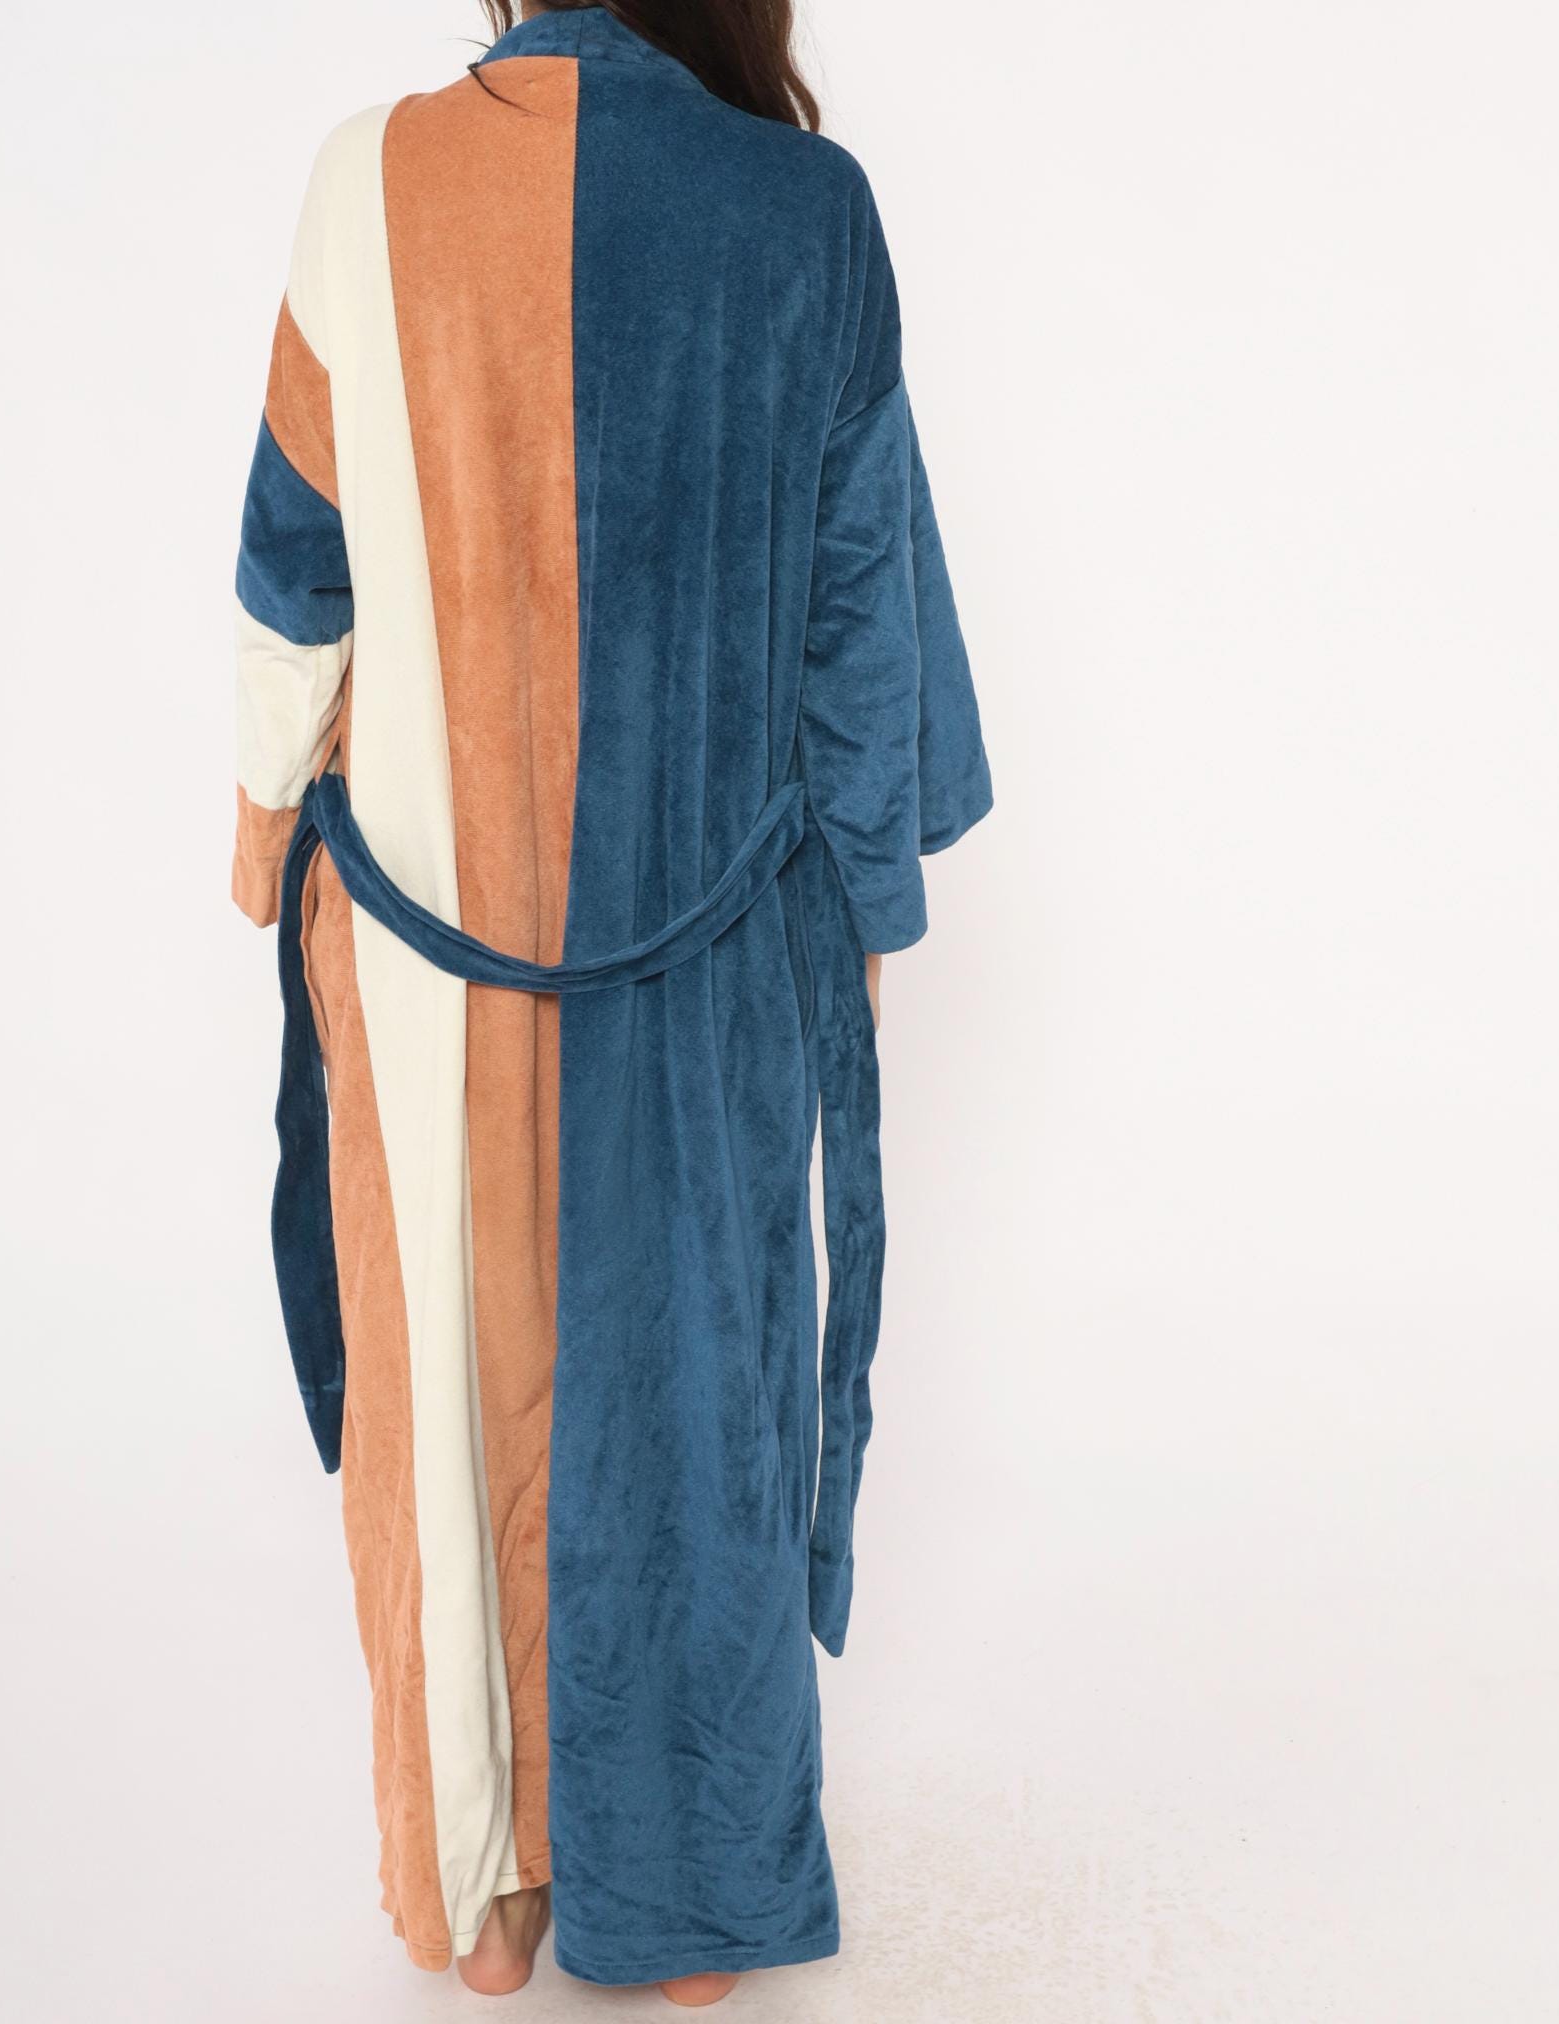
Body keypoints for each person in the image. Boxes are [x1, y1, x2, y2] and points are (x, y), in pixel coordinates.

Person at [228, 0, 990, 2003]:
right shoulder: (806, 212)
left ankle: (480, 1884)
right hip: (714, 939)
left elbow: (295, 571)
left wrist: (260, 836)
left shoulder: (363, 178)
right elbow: (860, 615)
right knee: (695, 1384)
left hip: (416, 939)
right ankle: (688, 1902)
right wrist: (868, 916)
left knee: (447, 1385)